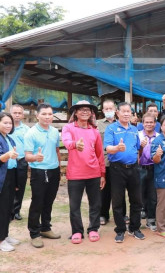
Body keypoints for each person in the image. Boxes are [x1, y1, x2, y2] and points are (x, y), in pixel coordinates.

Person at [62, 100, 106, 244]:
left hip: (93, 173)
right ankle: (77, 231)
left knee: (95, 203)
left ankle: (93, 228)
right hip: (75, 174)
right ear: (76, 112)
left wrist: (102, 174)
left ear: (92, 113)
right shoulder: (68, 128)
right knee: (74, 205)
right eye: (81, 109)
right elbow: (67, 142)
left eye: (88, 110)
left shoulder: (94, 131)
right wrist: (75, 144)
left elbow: (100, 154)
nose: (85, 112)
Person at [104, 102, 145, 243]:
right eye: (124, 111)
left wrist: (143, 145)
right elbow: (108, 148)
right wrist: (117, 148)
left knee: (137, 200)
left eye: (129, 111)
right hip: (117, 169)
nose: (127, 114)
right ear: (117, 113)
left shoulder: (134, 130)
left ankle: (135, 228)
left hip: (133, 168)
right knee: (117, 201)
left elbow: (138, 147)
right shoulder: (111, 129)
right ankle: (120, 229)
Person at [24, 103, 61, 248]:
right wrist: (35, 158)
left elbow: (57, 150)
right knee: (37, 202)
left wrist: (58, 165)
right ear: (37, 115)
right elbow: (27, 156)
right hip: (38, 172)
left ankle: (45, 228)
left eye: (50, 114)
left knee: (49, 201)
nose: (47, 117)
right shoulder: (31, 133)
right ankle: (34, 233)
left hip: (54, 170)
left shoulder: (54, 131)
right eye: (44, 114)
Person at [97, 99, 127, 226]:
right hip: (104, 162)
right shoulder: (97, 124)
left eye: (111, 108)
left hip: (119, 161)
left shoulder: (122, 123)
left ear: (115, 110)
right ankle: (103, 214)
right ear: (103, 111)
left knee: (119, 190)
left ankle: (122, 215)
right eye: (106, 109)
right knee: (104, 190)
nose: (109, 111)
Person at [0, 113, 20, 252]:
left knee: (8, 208)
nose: (8, 125)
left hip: (11, 175)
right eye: (5, 123)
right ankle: (1, 240)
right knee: (1, 209)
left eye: (10, 123)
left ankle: (5, 235)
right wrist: (8, 155)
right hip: (2, 176)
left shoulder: (10, 139)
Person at [138, 113, 159, 232]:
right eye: (146, 122)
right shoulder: (138, 135)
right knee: (139, 194)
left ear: (155, 124)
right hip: (140, 168)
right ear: (142, 123)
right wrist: (140, 147)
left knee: (153, 196)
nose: (149, 124)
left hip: (154, 168)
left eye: (151, 122)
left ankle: (151, 219)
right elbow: (135, 151)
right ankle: (137, 220)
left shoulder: (159, 136)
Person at [9, 104, 29, 220]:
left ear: (22, 115)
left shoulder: (26, 129)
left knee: (20, 187)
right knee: (8, 186)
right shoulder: (6, 126)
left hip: (21, 161)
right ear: (10, 113)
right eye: (14, 113)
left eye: (19, 113)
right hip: (8, 161)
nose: (17, 115)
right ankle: (8, 210)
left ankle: (16, 211)